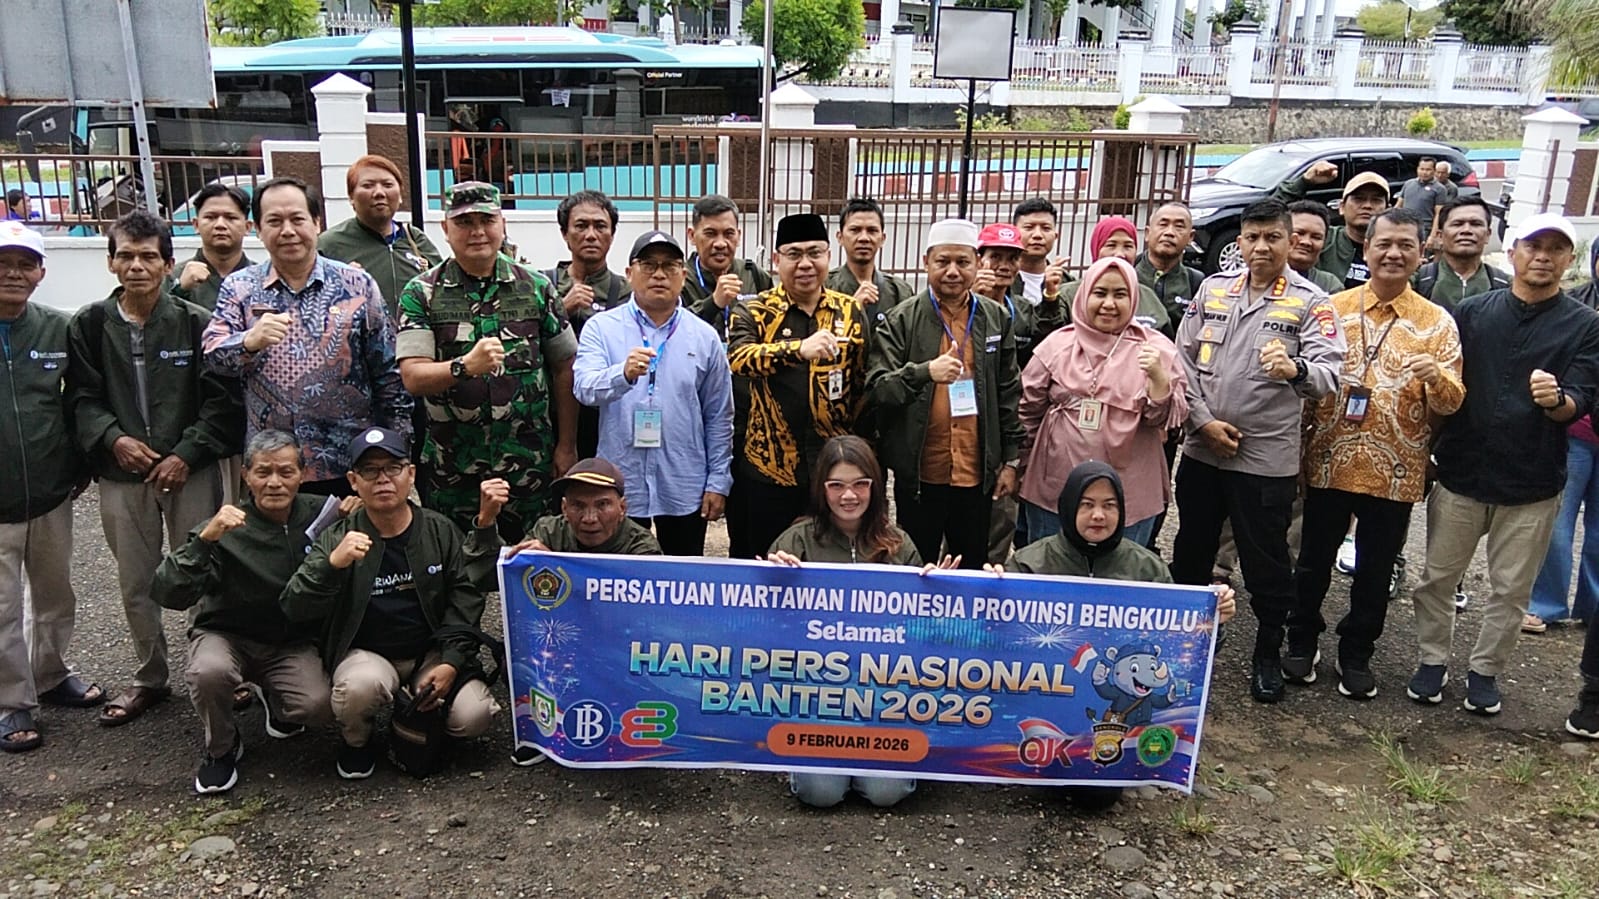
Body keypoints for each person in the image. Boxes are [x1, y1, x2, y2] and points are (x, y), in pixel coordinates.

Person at [1407, 213, 1599, 716]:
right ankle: (1432, 660)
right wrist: (1426, 450)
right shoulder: (1471, 313)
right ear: (1512, 251)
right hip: (1461, 471)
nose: (1542, 257)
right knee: (1437, 579)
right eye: (1533, 246)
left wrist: (1555, 399)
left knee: (1511, 591)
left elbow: (1581, 400)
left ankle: (1485, 671)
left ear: (1568, 261)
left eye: (1555, 250)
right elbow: (1448, 391)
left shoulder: (1586, 325)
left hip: (1532, 480)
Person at [1168, 199, 1346, 704]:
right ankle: (1186, 646)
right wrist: (1203, 422)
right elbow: (1181, 364)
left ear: (1291, 242)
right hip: (1205, 451)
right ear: (1239, 243)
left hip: (1264, 460)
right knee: (1192, 552)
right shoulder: (1213, 290)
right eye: (1252, 238)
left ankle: (1267, 651)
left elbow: (1331, 372)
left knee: (1266, 561)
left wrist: (1296, 369)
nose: (1261, 247)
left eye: (1272, 237)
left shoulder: (1311, 302)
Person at [68, 210, 240, 728]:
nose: (137, 266)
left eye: (148, 256)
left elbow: (221, 403)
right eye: (126, 255)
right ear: (111, 262)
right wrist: (112, 438)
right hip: (123, 477)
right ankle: (149, 676)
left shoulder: (195, 322)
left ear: (169, 264)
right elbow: (80, 397)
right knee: (135, 580)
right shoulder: (90, 324)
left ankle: (207, 672)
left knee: (201, 571)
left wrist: (185, 453)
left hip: (189, 469)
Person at [1285, 209, 1463, 700]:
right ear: (1366, 249)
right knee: (1312, 560)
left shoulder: (1436, 323)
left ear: (1421, 252)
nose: (1394, 253)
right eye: (1384, 243)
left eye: (1406, 244)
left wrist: (1437, 378)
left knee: (1376, 568)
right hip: (1327, 457)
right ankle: (1301, 641)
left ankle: (1356, 652)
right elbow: (1302, 381)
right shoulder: (1331, 309)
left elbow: (1453, 401)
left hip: (1396, 469)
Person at [991, 462, 1236, 810]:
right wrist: (987, 594)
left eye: (1109, 505)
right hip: (1041, 705)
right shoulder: (1031, 564)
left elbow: (1182, 654)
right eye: (1087, 504)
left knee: (1097, 797)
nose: (1098, 515)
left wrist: (1216, 622)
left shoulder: (1147, 569)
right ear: (1068, 507)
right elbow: (997, 644)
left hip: (1108, 720)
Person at [280, 427, 501, 780]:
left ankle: (416, 720)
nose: (383, 479)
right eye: (370, 471)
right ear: (353, 481)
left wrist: (451, 661)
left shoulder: (438, 529)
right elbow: (294, 606)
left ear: (410, 474)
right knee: (358, 689)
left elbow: (466, 595)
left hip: (429, 652)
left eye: (393, 468)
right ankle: (357, 741)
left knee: (474, 717)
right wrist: (331, 565)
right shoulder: (337, 536)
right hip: (368, 653)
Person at [151, 430, 343, 793]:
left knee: (318, 707)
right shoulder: (227, 523)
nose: (274, 483)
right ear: (245, 475)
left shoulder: (322, 513)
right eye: (263, 472)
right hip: (228, 635)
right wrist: (205, 539)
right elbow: (167, 590)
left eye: (286, 472)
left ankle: (273, 697)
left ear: (303, 474)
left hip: (289, 642)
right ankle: (222, 748)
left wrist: (356, 509)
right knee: (210, 672)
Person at [768, 435, 954, 807]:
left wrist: (939, 591)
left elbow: (927, 633)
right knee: (820, 794)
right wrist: (770, 579)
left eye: (859, 484)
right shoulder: (796, 541)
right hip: (818, 702)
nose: (848, 496)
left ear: (875, 485)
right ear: (822, 489)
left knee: (888, 793)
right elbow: (760, 623)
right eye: (836, 485)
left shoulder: (899, 544)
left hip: (884, 700)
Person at [202, 176, 412, 496]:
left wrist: (395, 450)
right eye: (274, 221)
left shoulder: (357, 285)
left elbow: (389, 373)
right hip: (275, 468)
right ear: (258, 229)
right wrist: (248, 342)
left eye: (297, 219)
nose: (287, 231)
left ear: (316, 223)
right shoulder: (240, 288)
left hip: (350, 461)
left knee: (353, 545)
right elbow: (213, 355)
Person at [395, 181, 578, 539]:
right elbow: (413, 377)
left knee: (532, 564)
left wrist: (567, 445)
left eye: (486, 220)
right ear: (445, 229)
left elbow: (564, 368)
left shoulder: (537, 288)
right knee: (457, 570)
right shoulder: (422, 292)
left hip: (528, 460)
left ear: (502, 224)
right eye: (464, 222)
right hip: (454, 467)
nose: (477, 231)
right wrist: (464, 367)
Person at [867, 218, 1022, 569]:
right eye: (943, 262)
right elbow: (879, 387)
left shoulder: (996, 319)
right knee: (917, 566)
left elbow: (1009, 393)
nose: (952, 271)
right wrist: (924, 372)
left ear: (977, 263)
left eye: (963, 262)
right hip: (921, 472)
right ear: (926, 263)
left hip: (975, 471)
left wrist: (1011, 461)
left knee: (971, 567)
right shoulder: (901, 319)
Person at [573, 231, 733, 556]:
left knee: (682, 581)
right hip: (620, 481)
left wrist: (718, 480)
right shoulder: (601, 329)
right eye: (648, 264)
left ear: (683, 275)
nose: (659, 274)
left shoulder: (704, 337)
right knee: (620, 582)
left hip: (683, 479)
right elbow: (584, 388)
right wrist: (623, 373)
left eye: (669, 265)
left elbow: (719, 415)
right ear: (629, 273)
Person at [0, 221, 95, 754]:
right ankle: (12, 703)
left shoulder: (58, 329)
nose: (13, 273)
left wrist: (79, 466)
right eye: (3, 263)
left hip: (52, 493)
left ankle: (52, 675)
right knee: (2, 607)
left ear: (40, 272)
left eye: (24, 264)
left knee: (55, 595)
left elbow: (78, 400)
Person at [726, 213, 870, 558]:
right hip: (769, 468)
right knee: (762, 561)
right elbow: (739, 358)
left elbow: (862, 386)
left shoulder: (849, 311)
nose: (805, 264)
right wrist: (798, 350)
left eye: (814, 253)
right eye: (794, 254)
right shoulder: (755, 310)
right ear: (776, 261)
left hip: (831, 469)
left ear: (828, 256)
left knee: (828, 560)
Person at [1017, 256, 1187, 547]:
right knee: (1050, 570)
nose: (1109, 304)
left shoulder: (1155, 348)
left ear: (1133, 298)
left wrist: (1158, 380)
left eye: (1120, 294)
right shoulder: (1057, 345)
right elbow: (1027, 412)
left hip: (1129, 488)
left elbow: (1166, 421)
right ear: (1084, 295)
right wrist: (1018, 466)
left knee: (1118, 578)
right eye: (1100, 293)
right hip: (1054, 481)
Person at [976, 222, 1067, 562]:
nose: (1003, 265)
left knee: (1003, 516)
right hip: (967, 425)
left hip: (1012, 425)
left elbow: (1050, 347)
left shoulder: (1023, 309)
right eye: (994, 256)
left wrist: (1051, 298)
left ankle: (992, 580)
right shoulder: (962, 304)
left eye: (1011, 258)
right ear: (979, 259)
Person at [1529, 244, 1599, 634]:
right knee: (1557, 523)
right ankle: (1547, 604)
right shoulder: (1575, 308)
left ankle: (1594, 609)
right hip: (1576, 431)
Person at [549, 191, 625, 459]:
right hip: (549, 417)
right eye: (581, 226)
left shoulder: (627, 292)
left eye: (600, 226)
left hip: (605, 418)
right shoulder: (540, 286)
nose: (591, 235)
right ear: (564, 233)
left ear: (612, 235)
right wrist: (561, 309)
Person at [317, 154, 443, 314]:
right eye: (368, 185)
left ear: (401, 195)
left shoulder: (416, 240)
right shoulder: (330, 245)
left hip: (414, 337)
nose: (379, 193)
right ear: (351, 197)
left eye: (387, 185)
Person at [1275, 167, 1390, 288]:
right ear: (1341, 207)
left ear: (1388, 210)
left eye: (1376, 200)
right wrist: (1304, 181)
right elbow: (1269, 213)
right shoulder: (1324, 237)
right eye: (1358, 199)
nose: (1367, 205)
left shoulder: (1395, 249)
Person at [1060, 217, 1171, 337]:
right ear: (1096, 249)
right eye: (1111, 245)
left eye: (1128, 246)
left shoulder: (1148, 297)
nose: (1120, 254)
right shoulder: (1068, 295)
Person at [682, 194, 772, 340]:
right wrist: (713, 303)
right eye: (710, 234)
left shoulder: (753, 275)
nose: (720, 243)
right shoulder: (681, 280)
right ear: (692, 236)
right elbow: (672, 332)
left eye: (729, 234)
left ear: (739, 236)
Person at [826, 198, 916, 330]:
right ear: (840, 237)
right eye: (855, 230)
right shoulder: (825, 287)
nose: (864, 238)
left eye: (872, 230)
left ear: (882, 239)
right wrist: (852, 309)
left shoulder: (900, 291)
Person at [1412, 198, 1510, 313]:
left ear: (1488, 234)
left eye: (1476, 224)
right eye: (1457, 224)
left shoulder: (1506, 286)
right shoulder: (1419, 280)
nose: (1466, 230)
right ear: (1440, 235)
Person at [172, 183, 254, 312]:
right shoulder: (173, 277)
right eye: (211, 217)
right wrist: (180, 290)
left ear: (248, 227)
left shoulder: (264, 280)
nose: (220, 224)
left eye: (231, 218)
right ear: (196, 225)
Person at [1135, 202, 1205, 325]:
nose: (1169, 232)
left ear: (1190, 237)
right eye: (1163, 224)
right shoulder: (1129, 274)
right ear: (1147, 233)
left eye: (1179, 226)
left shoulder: (1196, 282)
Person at [1285, 201, 1346, 295]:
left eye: (1316, 237)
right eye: (1299, 233)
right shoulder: (1258, 275)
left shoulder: (1328, 285)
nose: (1306, 242)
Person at [1011, 198, 1061, 306]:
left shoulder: (1065, 282)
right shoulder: (1001, 277)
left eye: (1046, 228)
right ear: (1014, 232)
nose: (1037, 235)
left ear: (1056, 236)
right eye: (1029, 228)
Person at [1395, 156, 1440, 241]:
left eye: (1428, 170)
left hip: (1424, 229)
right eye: (1422, 169)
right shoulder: (1408, 184)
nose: (1424, 172)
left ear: (1434, 171)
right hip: (1405, 226)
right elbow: (1398, 206)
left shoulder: (1439, 189)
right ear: (1417, 169)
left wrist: (1432, 236)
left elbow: (1438, 214)